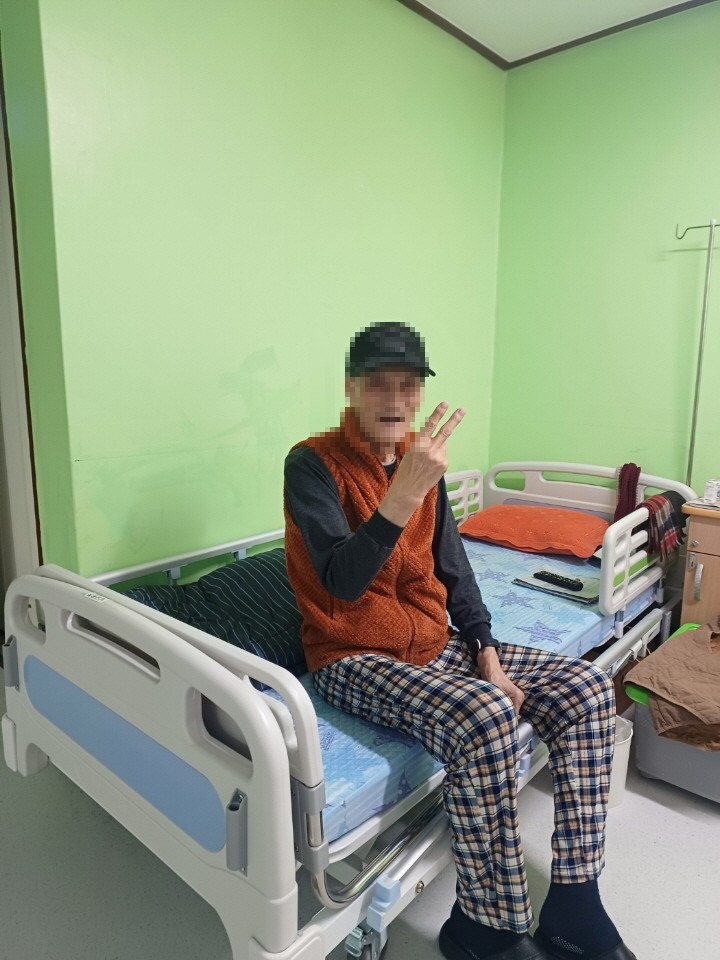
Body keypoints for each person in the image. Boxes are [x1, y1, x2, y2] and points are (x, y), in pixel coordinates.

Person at [283, 322, 636, 960]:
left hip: (433, 640)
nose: (396, 399)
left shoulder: (423, 464)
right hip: (350, 652)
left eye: (409, 385)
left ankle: (575, 903)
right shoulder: (312, 464)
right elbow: (340, 582)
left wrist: (485, 651)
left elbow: (454, 565)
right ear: (351, 389)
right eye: (379, 384)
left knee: (585, 688)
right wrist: (403, 493)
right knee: (485, 715)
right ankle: (486, 926)